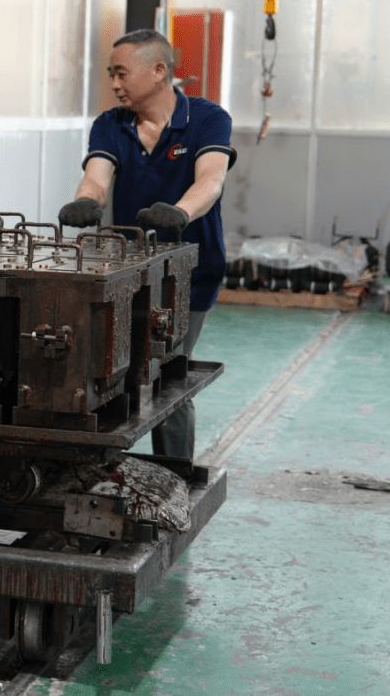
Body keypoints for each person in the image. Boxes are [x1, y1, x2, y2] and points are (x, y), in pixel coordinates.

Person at [58, 29, 235, 460]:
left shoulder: (208, 118)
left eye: (121, 73)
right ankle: (109, 468)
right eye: (111, 74)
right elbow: (97, 177)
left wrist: (180, 213)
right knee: (110, 371)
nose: (114, 84)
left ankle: (173, 474)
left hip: (192, 273)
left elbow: (211, 180)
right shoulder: (111, 124)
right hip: (129, 272)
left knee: (166, 375)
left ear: (158, 71)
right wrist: (87, 201)